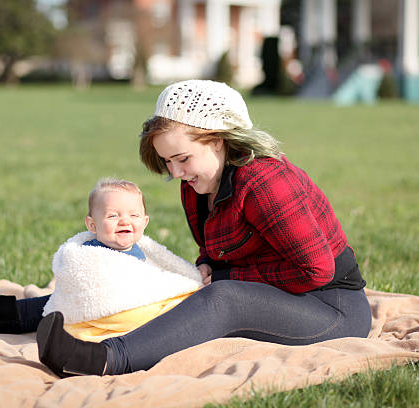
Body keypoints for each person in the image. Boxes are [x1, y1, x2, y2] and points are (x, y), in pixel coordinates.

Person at [36, 79, 371, 377]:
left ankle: (104, 359)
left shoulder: (265, 181)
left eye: (182, 159)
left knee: (222, 297)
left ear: (218, 141)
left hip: (329, 306)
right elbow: (215, 246)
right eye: (167, 162)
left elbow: (316, 271)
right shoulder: (197, 183)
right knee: (161, 282)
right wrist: (206, 263)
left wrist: (226, 278)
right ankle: (7, 313)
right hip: (274, 293)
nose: (176, 171)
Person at [0, 178, 200, 335]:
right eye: (113, 216)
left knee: (40, 311)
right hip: (77, 304)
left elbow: (154, 282)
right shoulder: (89, 252)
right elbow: (80, 279)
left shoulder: (141, 254)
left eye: (134, 216)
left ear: (144, 222)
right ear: (92, 225)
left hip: (109, 313)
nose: (125, 221)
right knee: (36, 307)